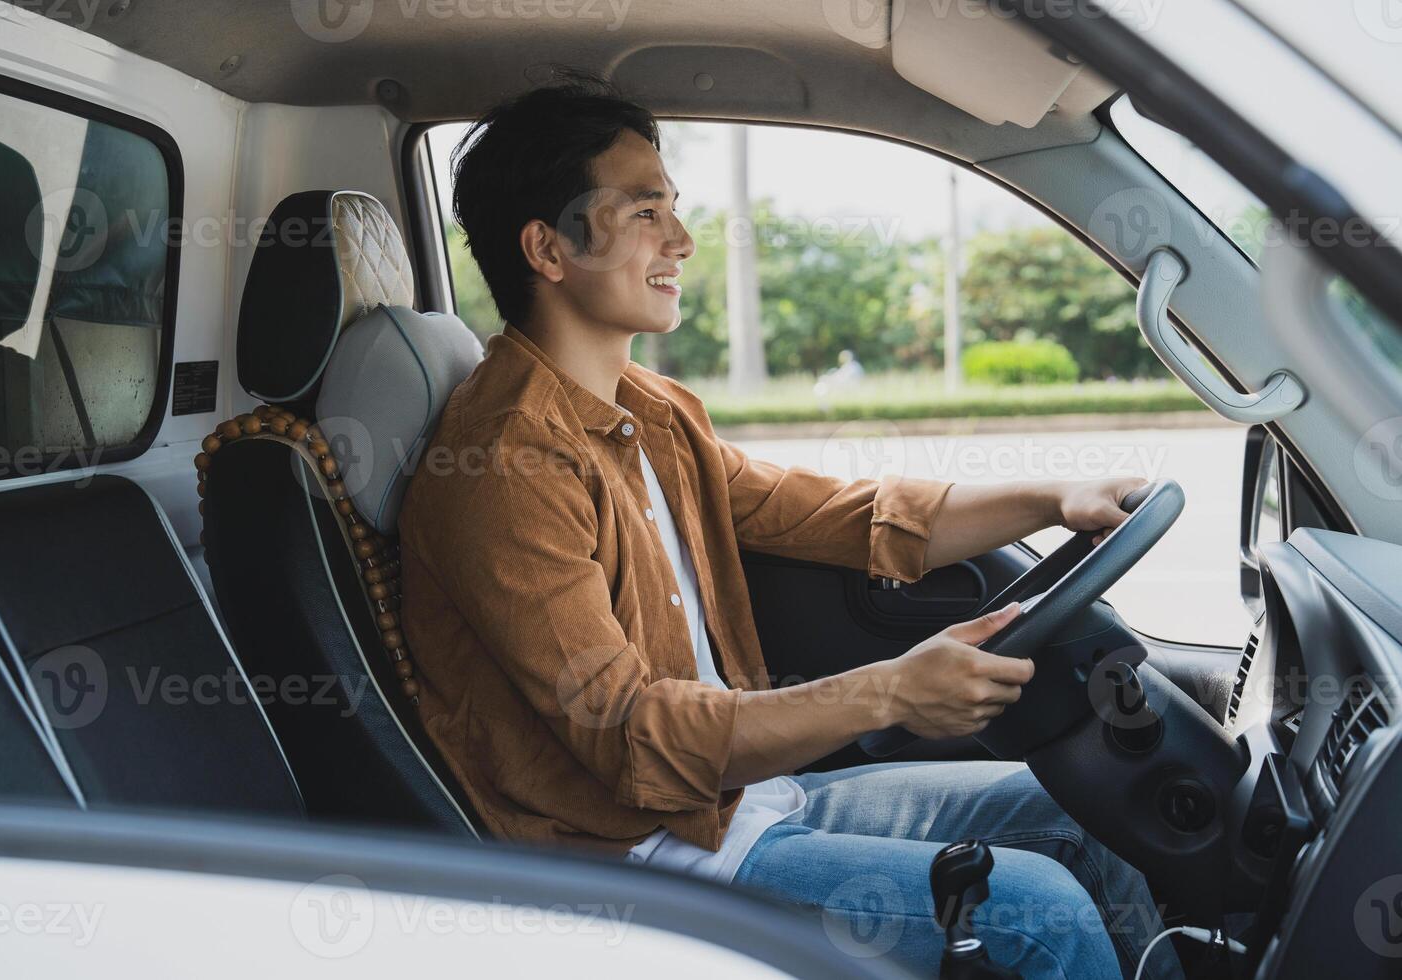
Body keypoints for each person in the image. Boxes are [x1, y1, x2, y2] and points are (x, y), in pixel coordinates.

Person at [398, 71, 1181, 980]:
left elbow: (844, 517)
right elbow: (633, 738)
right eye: (645, 212)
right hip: (642, 862)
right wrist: (891, 692)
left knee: (1084, 802)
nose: (682, 242)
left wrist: (1053, 501)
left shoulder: (647, 409)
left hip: (744, 804)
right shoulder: (504, 464)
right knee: (1034, 912)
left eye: (673, 209)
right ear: (548, 246)